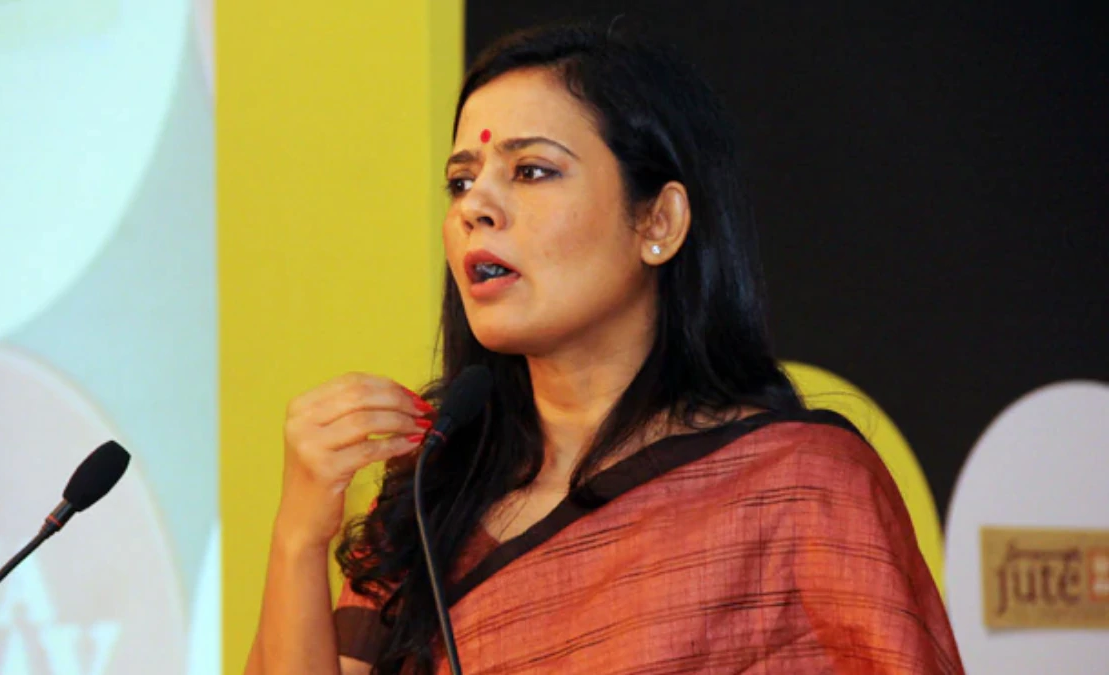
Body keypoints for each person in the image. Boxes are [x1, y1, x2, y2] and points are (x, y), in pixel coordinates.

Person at [245, 23, 965, 675]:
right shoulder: (431, 500)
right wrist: (300, 535)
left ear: (659, 221)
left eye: (531, 171)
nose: (474, 207)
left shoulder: (799, 487)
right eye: (461, 181)